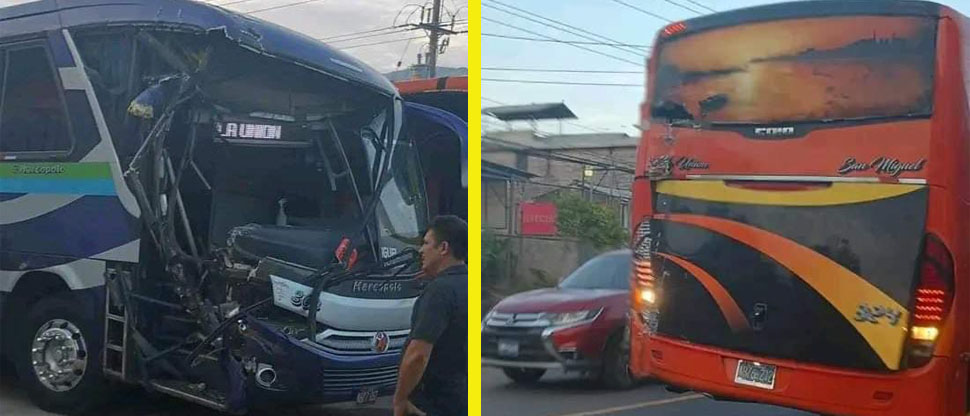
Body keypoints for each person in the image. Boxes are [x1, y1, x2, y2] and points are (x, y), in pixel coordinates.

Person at [393, 215, 468, 416]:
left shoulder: (439, 291)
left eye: (426, 243)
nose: (421, 250)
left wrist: (400, 399)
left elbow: (418, 355)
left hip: (433, 403)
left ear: (443, 248)